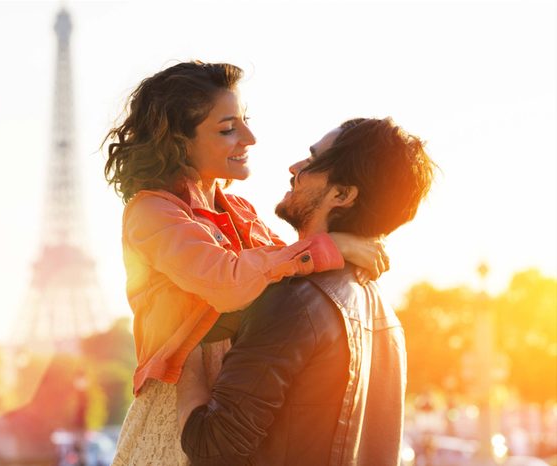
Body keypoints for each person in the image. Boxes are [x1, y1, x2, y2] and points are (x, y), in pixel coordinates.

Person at [104, 62, 388, 465]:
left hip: (233, 406)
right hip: (179, 415)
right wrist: (333, 244)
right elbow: (230, 283)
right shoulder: (152, 213)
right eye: (228, 129)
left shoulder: (239, 210)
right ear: (181, 143)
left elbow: (286, 275)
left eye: (245, 121)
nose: (250, 138)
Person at [178, 117, 436, 466]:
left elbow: (212, 447)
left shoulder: (294, 300)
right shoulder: (387, 319)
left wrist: (185, 355)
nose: (295, 167)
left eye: (312, 162)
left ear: (342, 194)